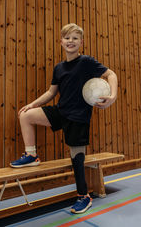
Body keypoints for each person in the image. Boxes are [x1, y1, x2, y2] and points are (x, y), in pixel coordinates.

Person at [10, 23, 117, 214]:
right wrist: (32, 104)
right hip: (61, 112)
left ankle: (84, 197)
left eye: (75, 38)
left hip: (78, 117)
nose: (71, 41)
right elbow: (51, 92)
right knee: (25, 115)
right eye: (67, 38)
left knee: (77, 159)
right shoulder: (59, 68)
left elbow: (111, 74)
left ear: (81, 42)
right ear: (61, 42)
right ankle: (31, 155)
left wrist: (112, 97)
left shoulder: (86, 62)